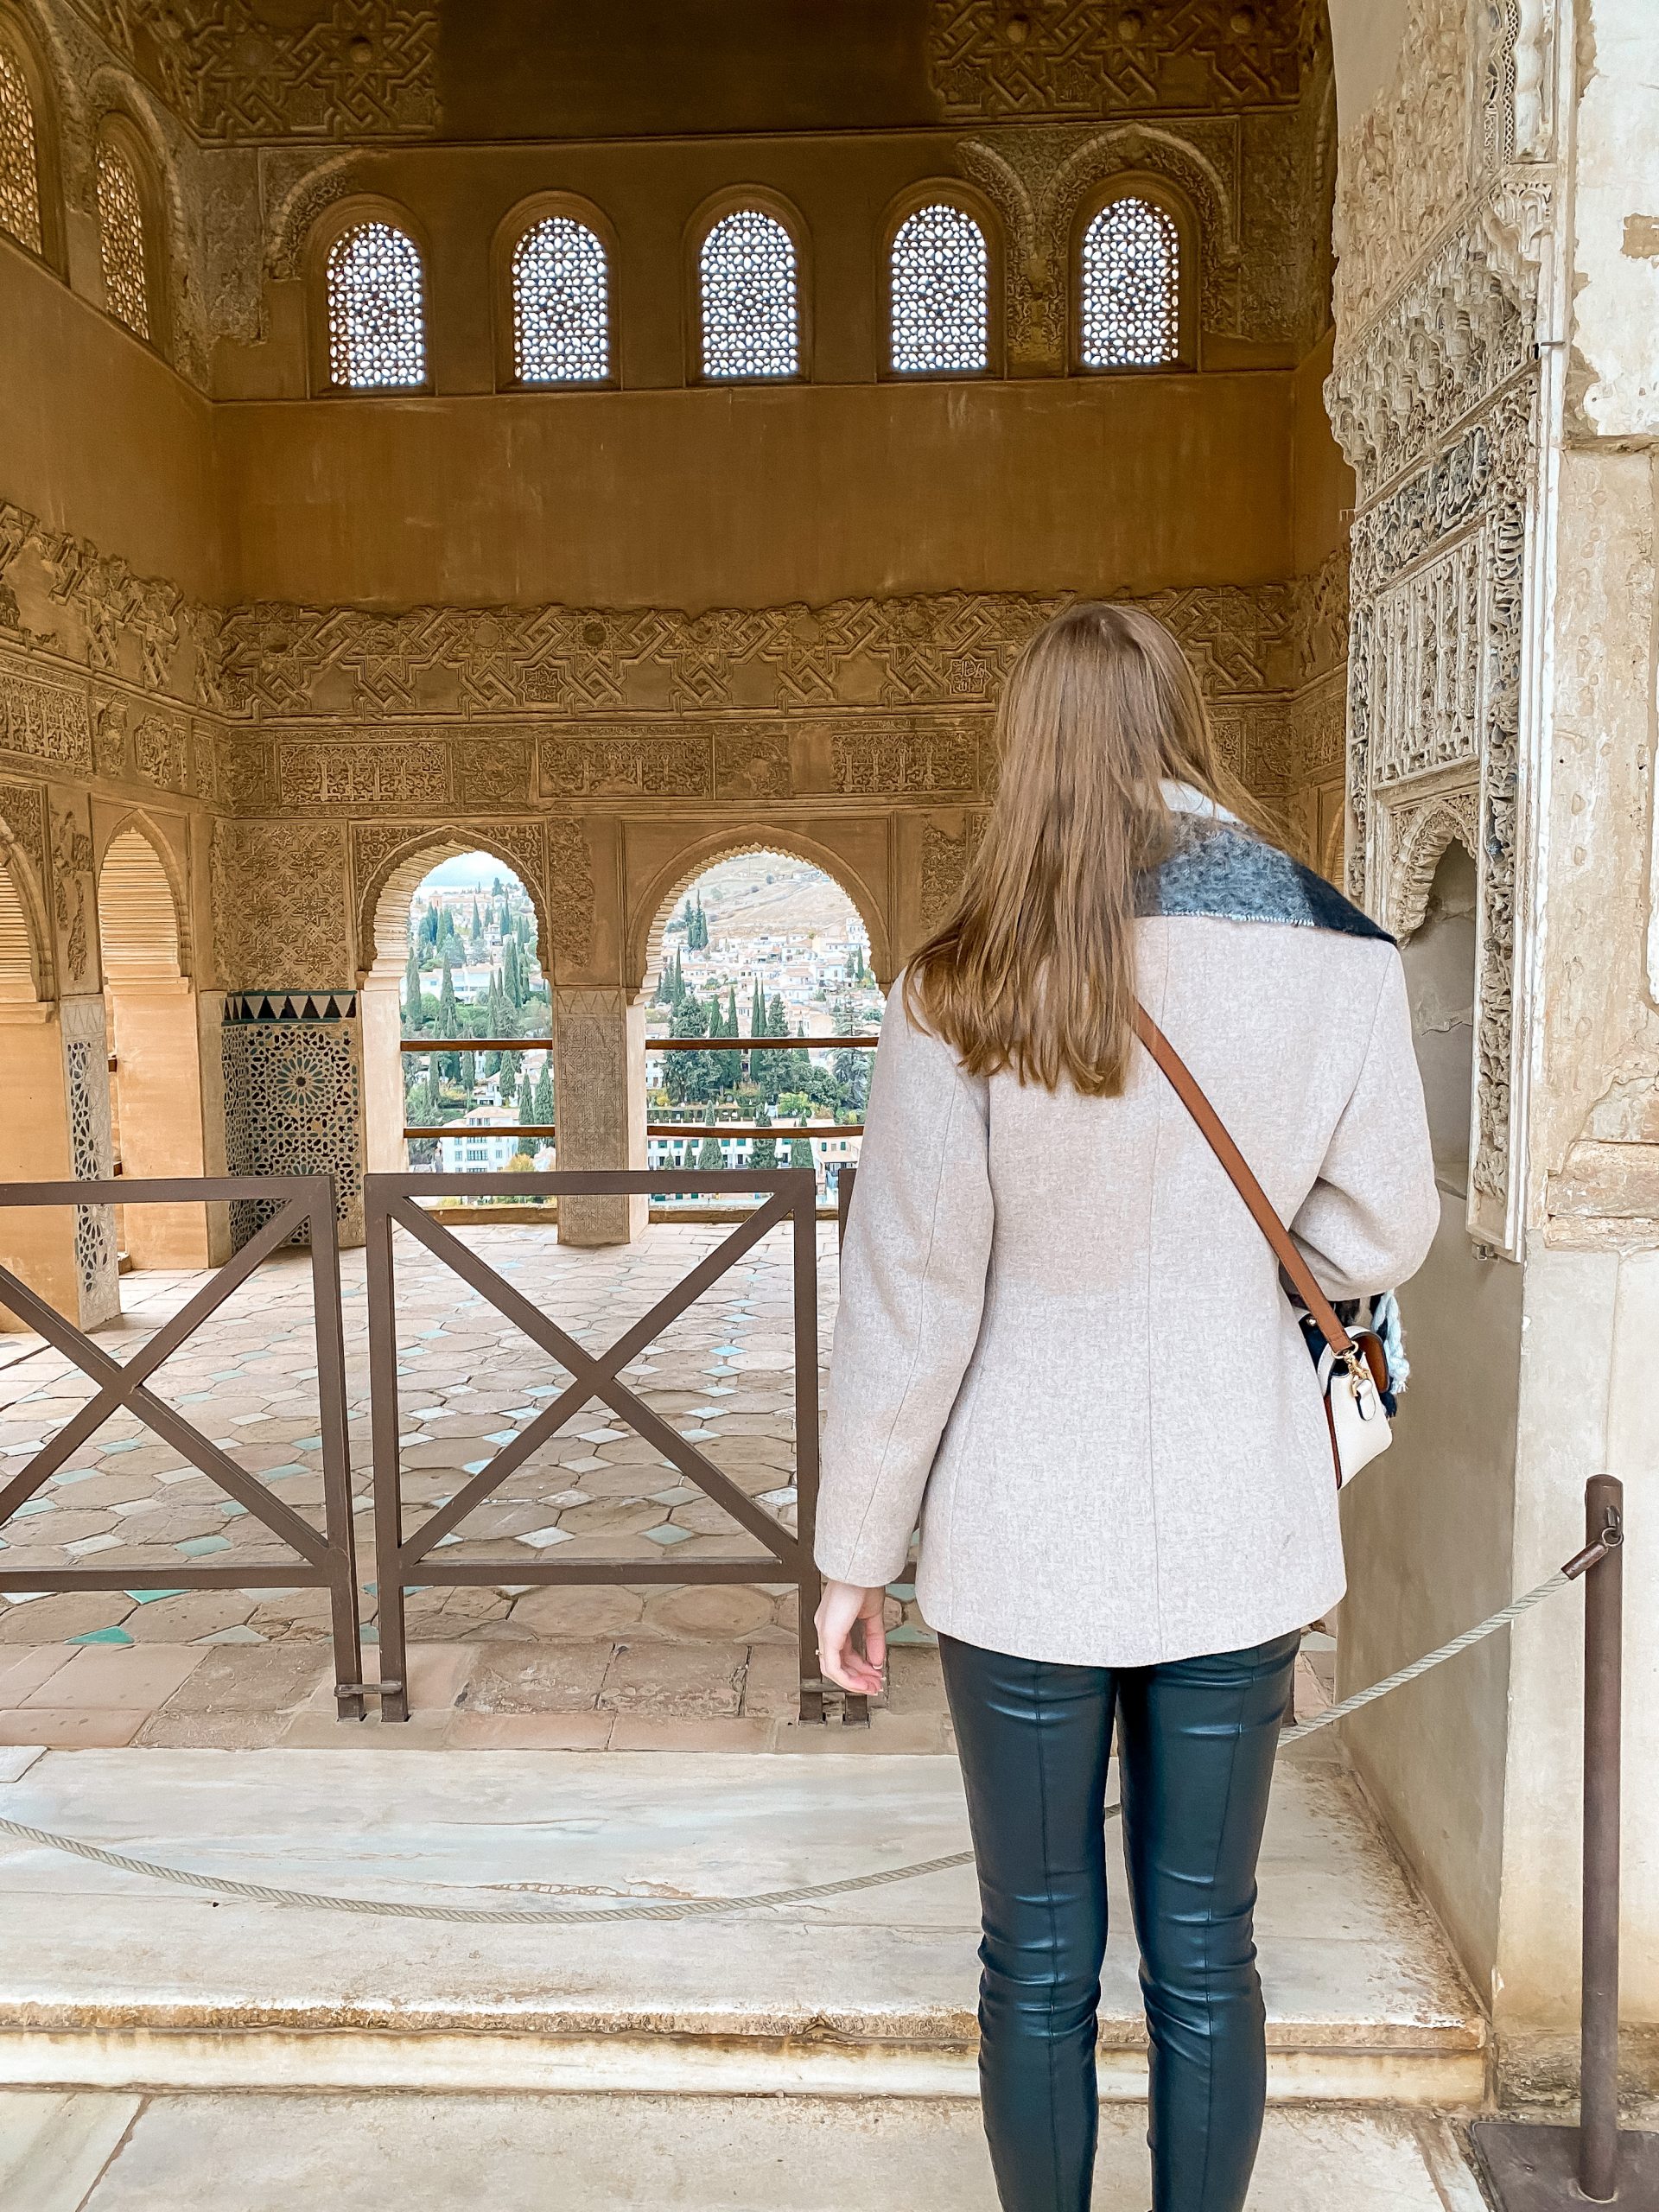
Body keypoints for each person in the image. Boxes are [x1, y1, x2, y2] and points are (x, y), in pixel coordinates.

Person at [813, 602, 1439, 2212]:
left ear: (1030, 750)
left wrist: (854, 1555)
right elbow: (1385, 1228)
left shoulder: (963, 982)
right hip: (1241, 1511)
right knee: (1207, 1951)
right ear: (1185, 725)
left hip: (1023, 1531)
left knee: (1034, 1956)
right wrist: (1244, 1278)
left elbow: (914, 1292)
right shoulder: (1337, 950)